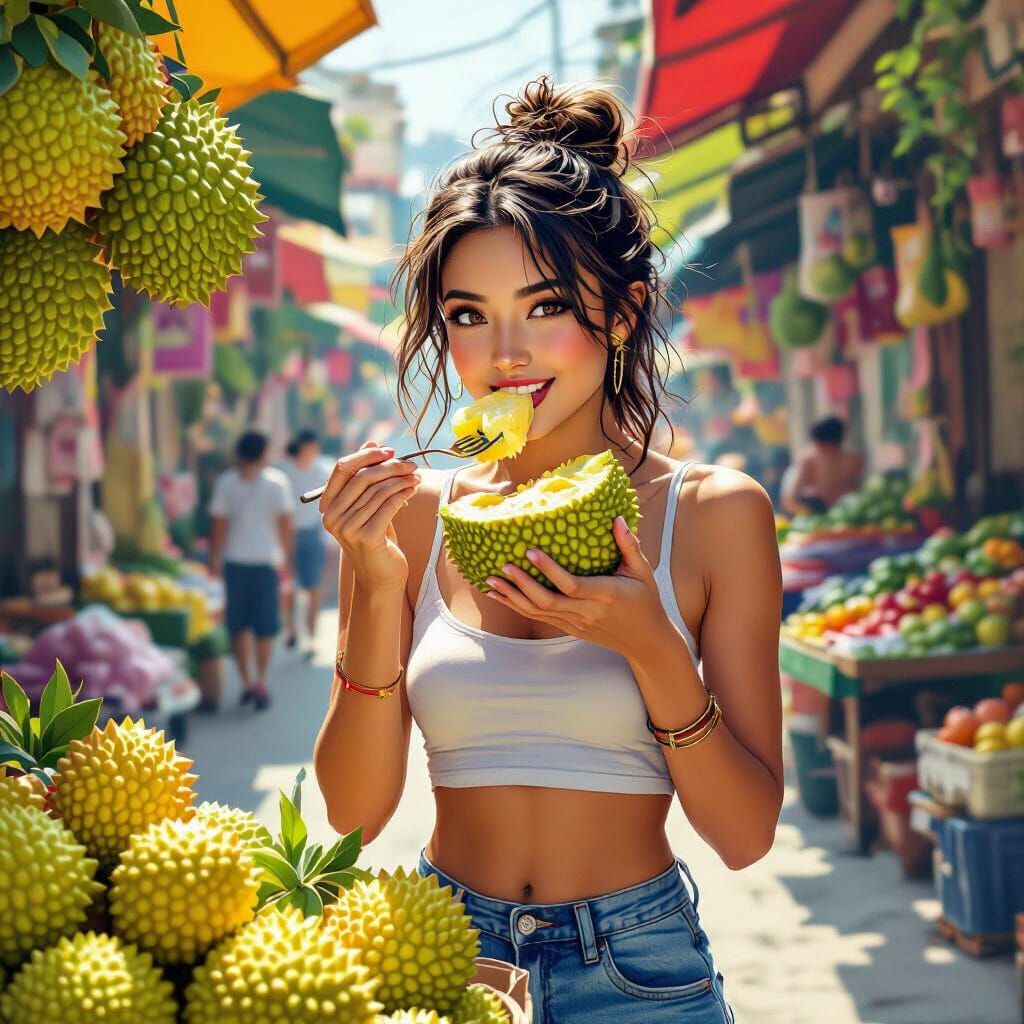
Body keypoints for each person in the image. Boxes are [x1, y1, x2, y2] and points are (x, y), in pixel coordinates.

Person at [314, 77, 781, 1022]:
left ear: (621, 311)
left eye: (545, 306)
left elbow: (744, 837)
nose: (507, 353)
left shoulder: (716, 514)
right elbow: (353, 816)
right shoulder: (411, 517)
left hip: (639, 970)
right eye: (468, 315)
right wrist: (372, 583)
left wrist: (652, 646)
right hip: (439, 953)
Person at [208, 430, 293, 711]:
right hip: (267, 562)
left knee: (239, 625)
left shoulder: (227, 483)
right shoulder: (277, 483)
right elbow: (285, 526)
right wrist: (287, 562)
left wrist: (214, 559)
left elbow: (218, 526)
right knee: (265, 627)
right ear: (264, 452)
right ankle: (261, 680)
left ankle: (247, 682)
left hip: (235, 562)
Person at [280, 429, 333, 655]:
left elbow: (330, 501)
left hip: (312, 533)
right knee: (288, 586)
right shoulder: (285, 471)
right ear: (302, 447)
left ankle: (311, 634)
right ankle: (292, 629)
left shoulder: (321, 469)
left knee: (314, 587)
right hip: (287, 535)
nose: (314, 452)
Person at [781, 415, 865, 516]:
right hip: (816, 517)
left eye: (834, 447)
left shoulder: (854, 461)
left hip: (847, 517)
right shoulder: (808, 461)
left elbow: (860, 493)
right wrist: (810, 516)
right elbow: (789, 500)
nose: (831, 453)